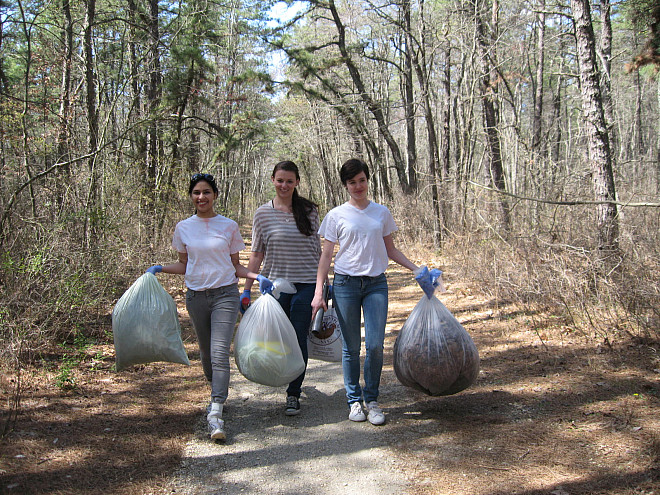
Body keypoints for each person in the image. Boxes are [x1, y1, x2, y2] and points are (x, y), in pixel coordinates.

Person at [311, 158, 441, 426]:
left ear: (367, 180)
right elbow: (325, 257)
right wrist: (318, 292)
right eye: (352, 182)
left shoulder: (381, 213)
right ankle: (354, 401)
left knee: (374, 346)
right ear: (345, 185)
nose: (358, 186)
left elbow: (391, 250)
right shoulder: (336, 215)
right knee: (351, 347)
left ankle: (372, 399)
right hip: (345, 284)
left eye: (361, 180)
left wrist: (417, 269)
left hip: (376, 285)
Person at [146, 172, 273, 442]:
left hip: (225, 295)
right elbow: (184, 264)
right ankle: (216, 390)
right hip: (195, 297)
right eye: (196, 193)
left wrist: (256, 277)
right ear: (191, 197)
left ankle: (215, 412)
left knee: (218, 352)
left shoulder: (228, 226)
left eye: (206, 192)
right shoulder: (183, 228)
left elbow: (236, 266)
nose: (201, 197)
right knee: (206, 353)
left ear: (215, 195)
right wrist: (159, 268)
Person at [241, 161, 321, 416]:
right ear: (272, 181)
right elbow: (256, 254)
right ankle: (278, 374)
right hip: (274, 286)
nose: (284, 185)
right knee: (275, 337)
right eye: (280, 180)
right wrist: (246, 289)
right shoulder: (262, 214)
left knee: (298, 338)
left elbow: (319, 251)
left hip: (306, 283)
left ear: (297, 182)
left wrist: (323, 286)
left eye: (289, 180)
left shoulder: (309, 210)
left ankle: (293, 393)